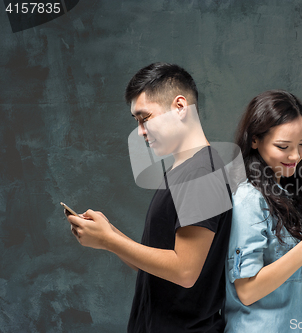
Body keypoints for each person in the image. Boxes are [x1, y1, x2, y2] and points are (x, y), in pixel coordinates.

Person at [65, 63, 232, 333]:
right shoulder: (181, 171)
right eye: (137, 122)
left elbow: (185, 271)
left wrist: (108, 239)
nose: (140, 131)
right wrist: (110, 236)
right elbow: (158, 265)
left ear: (180, 107)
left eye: (145, 118)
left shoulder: (202, 172)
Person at [224, 90, 302, 333]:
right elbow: (247, 292)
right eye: (283, 146)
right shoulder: (248, 198)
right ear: (254, 140)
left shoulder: (285, 192)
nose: (295, 156)